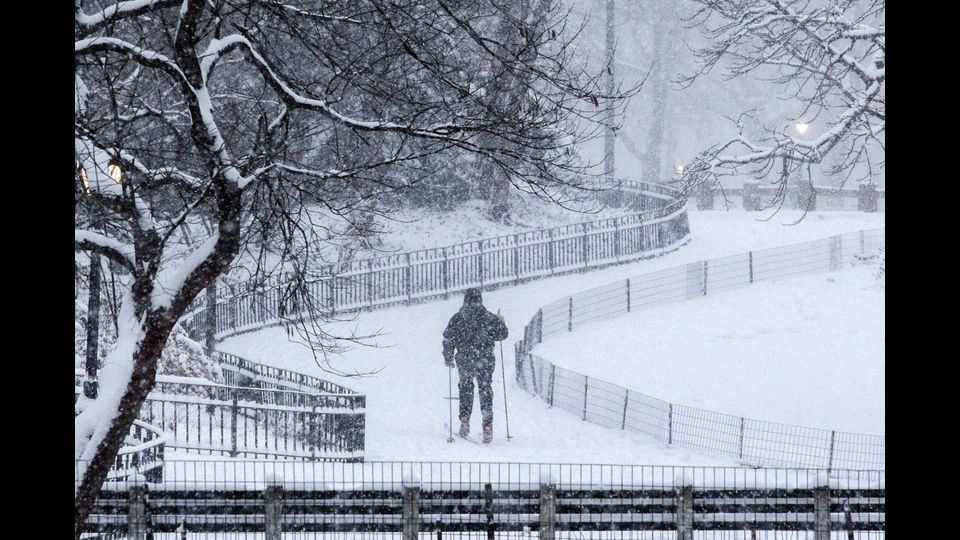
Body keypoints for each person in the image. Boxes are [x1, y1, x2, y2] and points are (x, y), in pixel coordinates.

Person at [443, 288, 508, 443]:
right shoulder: (489, 317)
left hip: (465, 359)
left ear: (465, 300)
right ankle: (487, 425)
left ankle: (465, 422)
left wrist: (448, 357)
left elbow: (449, 339)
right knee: (485, 389)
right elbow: (502, 335)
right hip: (485, 359)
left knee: (466, 388)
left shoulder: (458, 318)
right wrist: (501, 321)